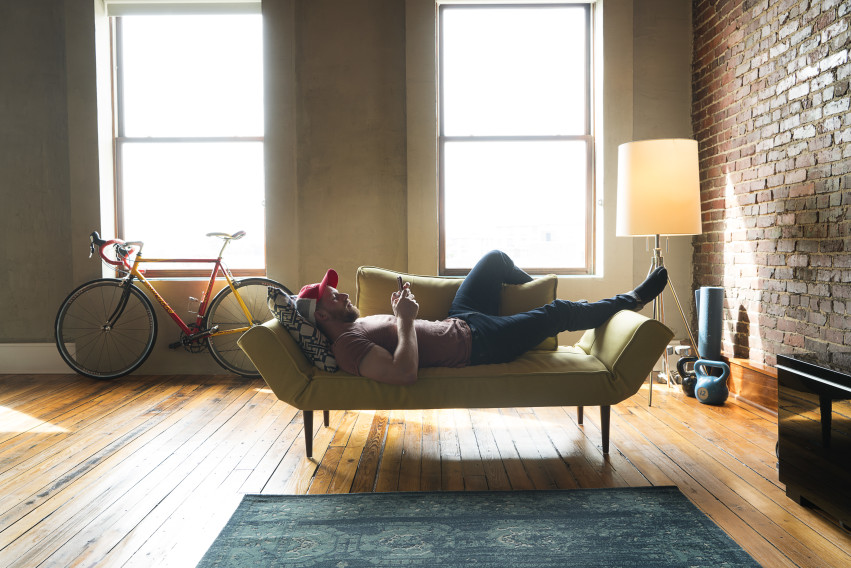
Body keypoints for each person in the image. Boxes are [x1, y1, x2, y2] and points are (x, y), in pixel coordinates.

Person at [295, 250, 667, 385]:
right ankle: (630, 300)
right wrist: (405, 318)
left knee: (495, 260)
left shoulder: (351, 325)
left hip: (463, 321)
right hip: (479, 344)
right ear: (323, 314)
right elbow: (403, 374)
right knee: (560, 312)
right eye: (334, 295)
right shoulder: (346, 346)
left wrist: (400, 313)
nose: (343, 293)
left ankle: (532, 308)